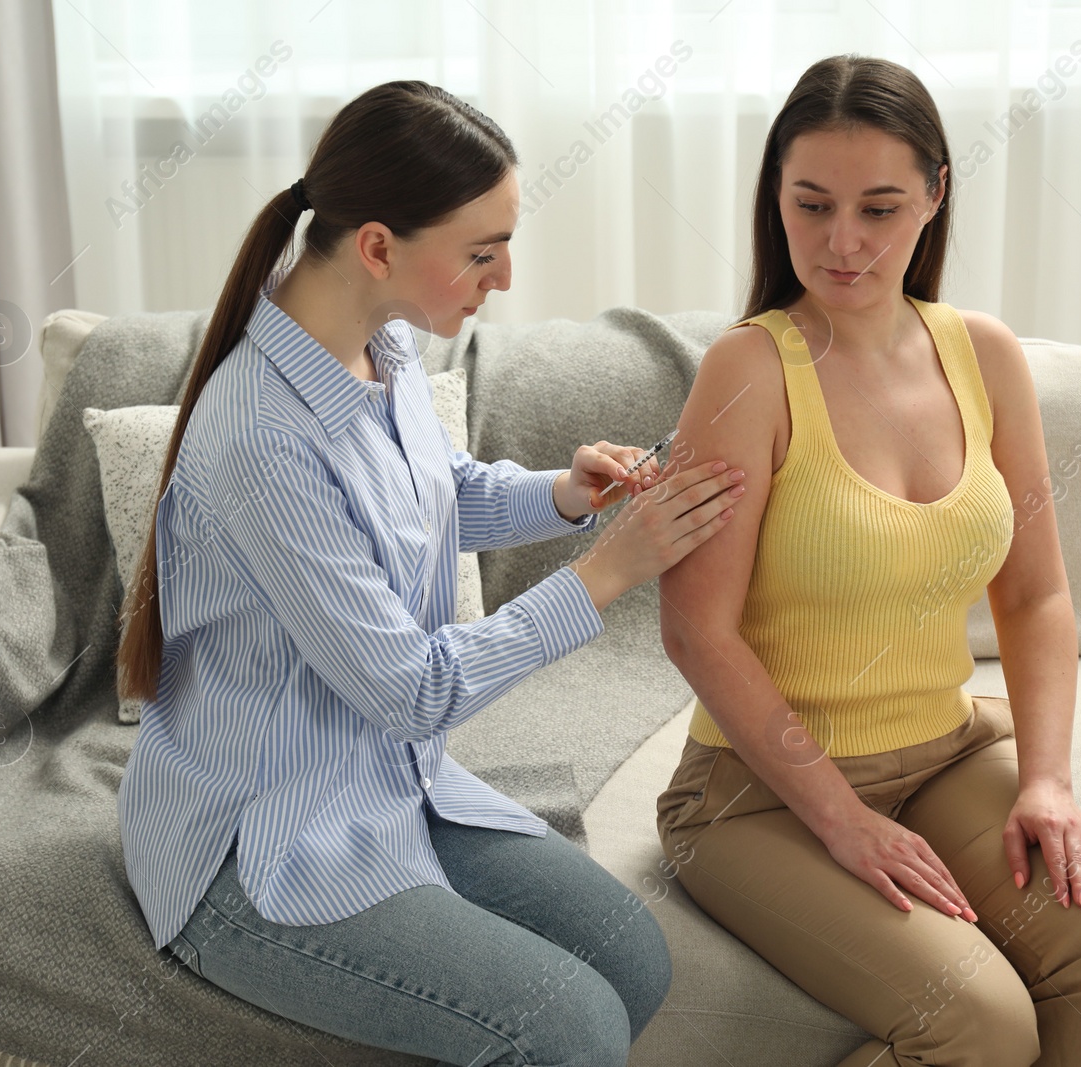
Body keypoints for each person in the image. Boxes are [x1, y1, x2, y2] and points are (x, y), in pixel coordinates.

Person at [113, 80, 746, 1066]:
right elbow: (412, 690)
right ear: (377, 245)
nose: (501, 276)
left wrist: (566, 497)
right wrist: (607, 573)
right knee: (570, 1025)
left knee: (634, 956)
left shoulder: (382, 340)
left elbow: (432, 488)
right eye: (482, 250)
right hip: (259, 849)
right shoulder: (258, 439)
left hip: (388, 784)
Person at [655, 55, 1081, 1067]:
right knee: (977, 1018)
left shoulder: (982, 353)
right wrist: (843, 820)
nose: (842, 241)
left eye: (879, 207)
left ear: (935, 196)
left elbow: (1033, 592)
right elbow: (694, 628)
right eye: (810, 204)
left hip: (946, 753)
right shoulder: (748, 368)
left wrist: (1048, 781)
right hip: (755, 795)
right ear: (775, 198)